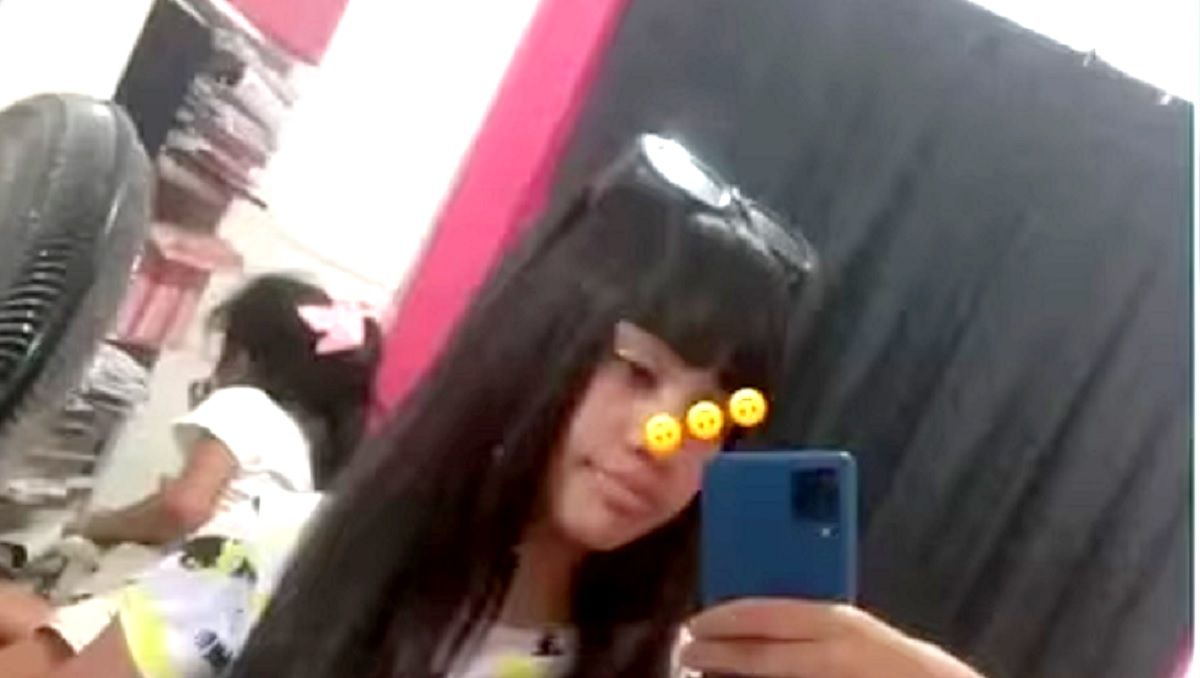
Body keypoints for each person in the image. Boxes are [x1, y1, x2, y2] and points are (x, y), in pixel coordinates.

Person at [11, 135, 982, 677]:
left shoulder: (671, 672)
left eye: (715, 418)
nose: (662, 439)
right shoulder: (277, 554)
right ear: (540, 350)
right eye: (636, 372)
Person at [69, 274, 382, 546]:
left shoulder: (245, 405)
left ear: (241, 357)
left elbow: (182, 510)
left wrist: (96, 526)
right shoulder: (304, 447)